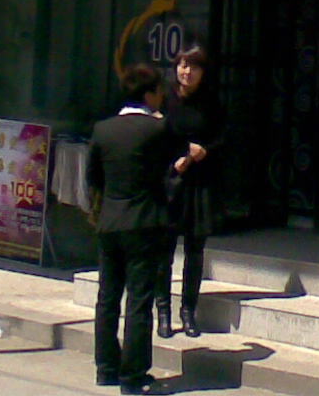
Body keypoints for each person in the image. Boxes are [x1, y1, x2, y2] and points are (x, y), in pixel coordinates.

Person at [86, 63, 177, 395]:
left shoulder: (103, 129)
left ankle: (105, 367)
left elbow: (93, 177)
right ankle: (133, 375)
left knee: (107, 298)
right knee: (139, 300)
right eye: (159, 91)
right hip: (144, 222)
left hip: (110, 221)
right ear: (149, 94)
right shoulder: (158, 129)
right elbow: (170, 168)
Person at [154, 44, 225, 339]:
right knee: (164, 250)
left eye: (194, 66)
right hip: (170, 181)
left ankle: (188, 311)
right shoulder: (164, 98)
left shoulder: (211, 101)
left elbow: (223, 137)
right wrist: (179, 155)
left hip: (199, 183)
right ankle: (163, 312)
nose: (187, 72)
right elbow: (155, 136)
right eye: (183, 65)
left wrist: (203, 151)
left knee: (195, 251)